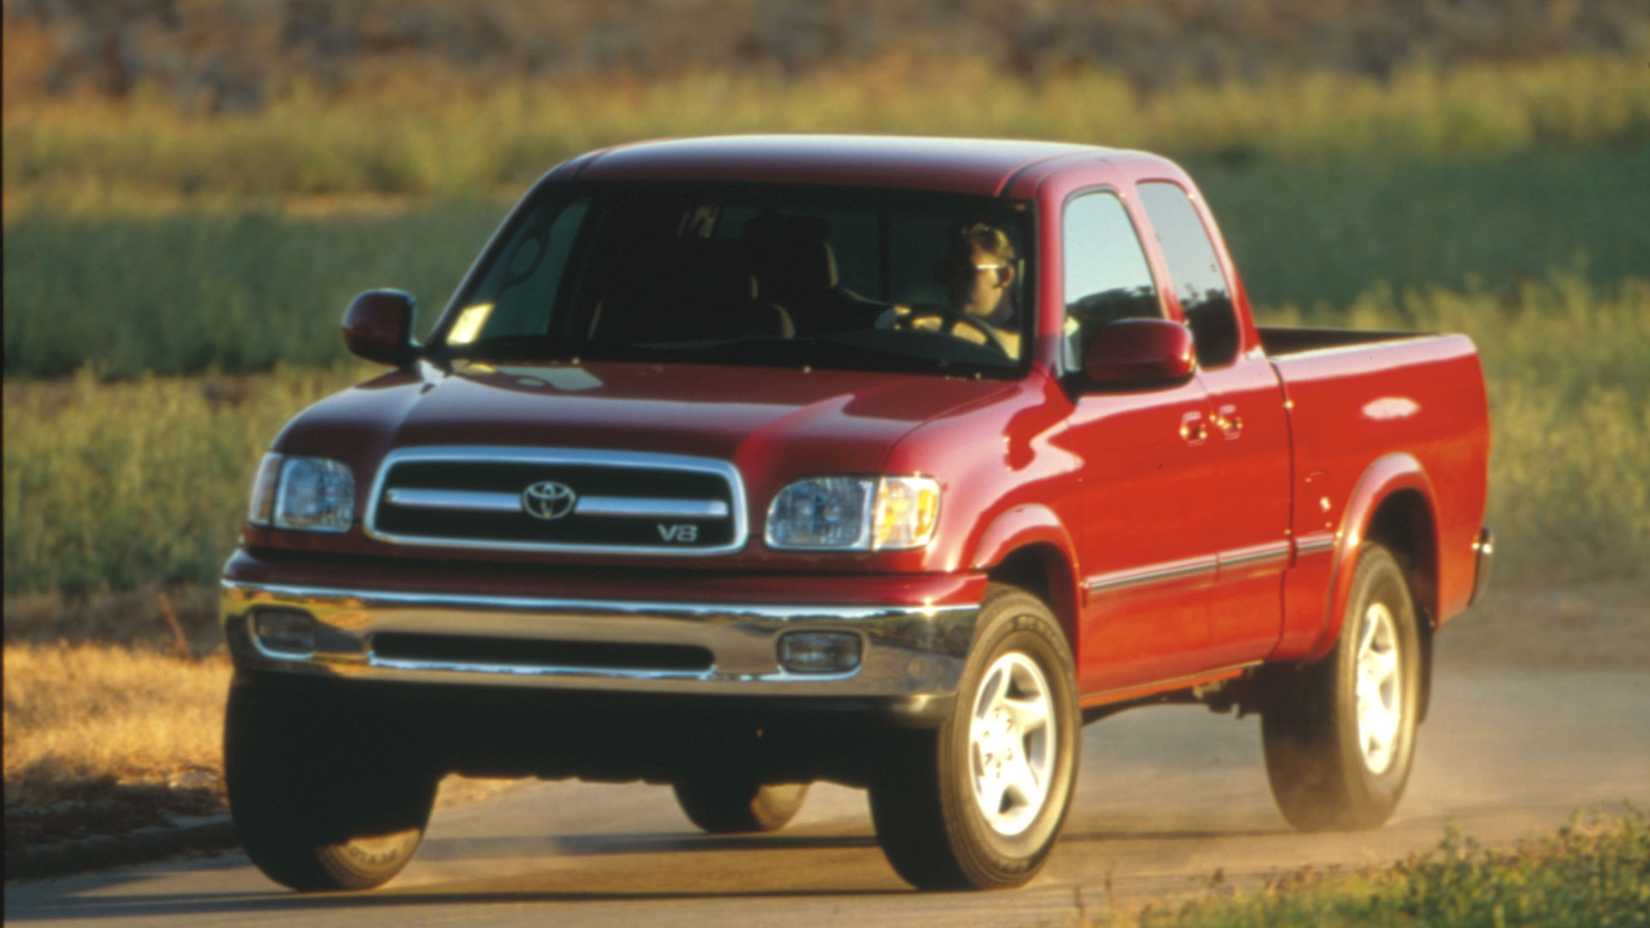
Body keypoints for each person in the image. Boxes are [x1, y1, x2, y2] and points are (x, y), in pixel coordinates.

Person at [889, 221, 1022, 358]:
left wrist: (941, 326)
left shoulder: (1031, 325)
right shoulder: (931, 308)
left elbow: (1020, 349)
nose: (956, 281)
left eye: (967, 272)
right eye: (950, 270)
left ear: (1004, 276)